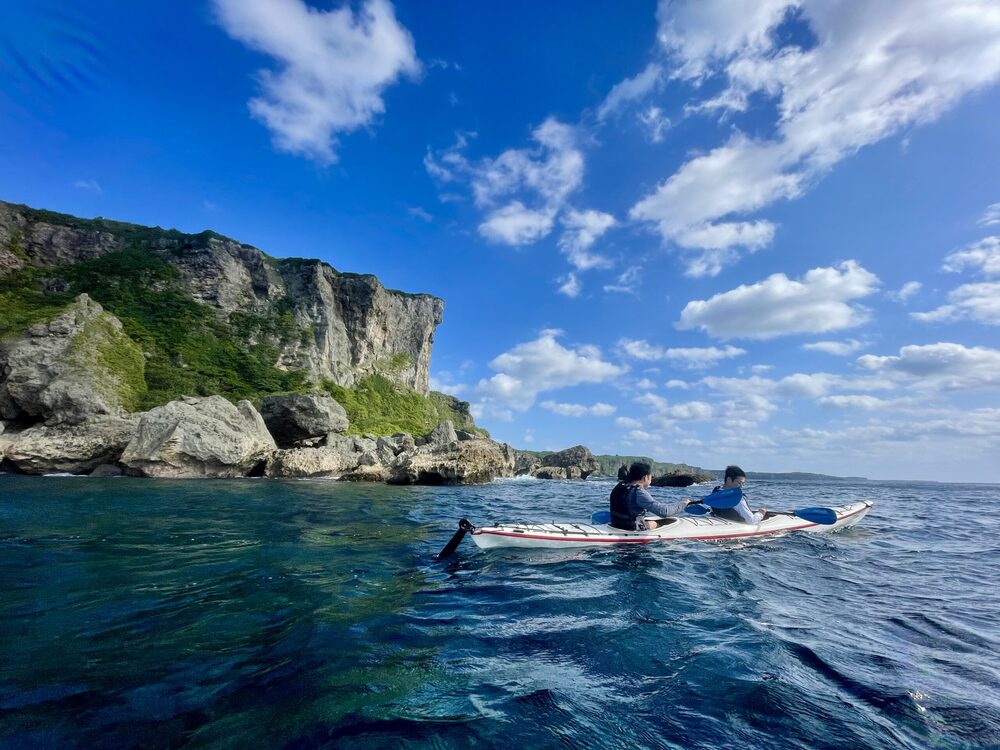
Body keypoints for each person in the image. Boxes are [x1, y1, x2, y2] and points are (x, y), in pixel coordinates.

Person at [609, 461, 692, 530]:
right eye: (650, 476)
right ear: (645, 477)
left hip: (615, 523)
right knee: (657, 524)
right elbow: (664, 512)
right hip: (631, 528)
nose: (651, 478)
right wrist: (683, 504)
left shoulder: (620, 486)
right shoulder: (639, 492)